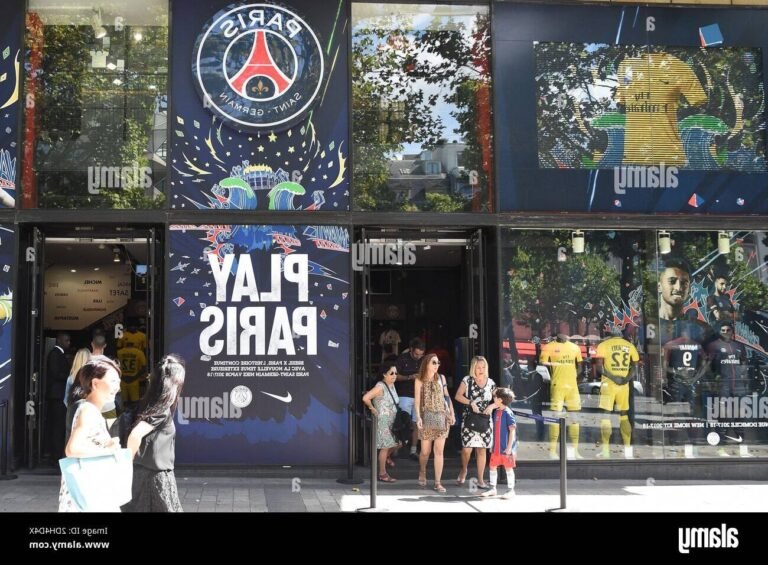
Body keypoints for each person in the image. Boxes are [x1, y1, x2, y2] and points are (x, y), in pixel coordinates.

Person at [58, 356, 122, 512]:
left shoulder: (92, 410)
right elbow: (71, 449)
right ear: (95, 383)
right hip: (87, 493)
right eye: (113, 381)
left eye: (118, 381)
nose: (118, 387)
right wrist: (108, 451)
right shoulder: (88, 410)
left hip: (89, 491)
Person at [124, 355, 186, 512]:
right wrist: (125, 465)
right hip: (154, 477)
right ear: (173, 383)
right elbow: (135, 435)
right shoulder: (160, 411)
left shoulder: (147, 405)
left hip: (145, 473)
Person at [706, 321, 751, 457]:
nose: (726, 332)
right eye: (723, 330)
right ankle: (721, 447)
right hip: (723, 386)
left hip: (738, 386)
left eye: (728, 330)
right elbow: (708, 366)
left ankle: (741, 445)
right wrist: (712, 381)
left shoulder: (739, 346)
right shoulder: (714, 346)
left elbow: (744, 366)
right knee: (723, 416)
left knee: (740, 417)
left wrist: (746, 382)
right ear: (719, 332)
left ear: (732, 332)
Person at [663, 322, 706, 457]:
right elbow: (705, 363)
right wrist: (696, 377)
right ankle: (692, 442)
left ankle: (673, 442)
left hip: (677, 382)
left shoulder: (671, 344)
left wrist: (674, 373)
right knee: (691, 413)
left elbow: (665, 366)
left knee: (674, 413)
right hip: (690, 382)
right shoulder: (696, 345)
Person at [594, 329, 640, 458]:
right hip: (623, 385)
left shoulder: (603, 345)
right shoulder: (629, 346)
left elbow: (599, 367)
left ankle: (606, 451)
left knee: (606, 415)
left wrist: (613, 378)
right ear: (620, 335)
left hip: (609, 384)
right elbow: (635, 367)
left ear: (610, 335)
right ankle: (627, 450)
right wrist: (625, 379)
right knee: (624, 414)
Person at [414, 353, 455, 493]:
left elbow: (446, 396)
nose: (437, 365)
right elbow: (417, 401)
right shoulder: (419, 380)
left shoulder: (441, 378)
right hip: (426, 417)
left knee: (439, 451)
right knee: (425, 451)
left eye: (438, 363)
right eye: (434, 362)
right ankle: (422, 470)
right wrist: (418, 417)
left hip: (442, 416)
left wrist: (452, 412)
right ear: (426, 363)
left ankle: (438, 482)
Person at [539, 333, 583, 459]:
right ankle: (552, 451)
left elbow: (580, 366)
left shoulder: (575, 347)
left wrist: (574, 376)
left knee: (574, 418)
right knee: (555, 418)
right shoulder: (549, 347)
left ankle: (575, 451)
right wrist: (553, 369)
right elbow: (542, 364)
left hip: (572, 386)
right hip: (557, 384)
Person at [454, 355, 494, 488]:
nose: (481, 369)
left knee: (482, 450)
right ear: (473, 368)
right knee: (467, 450)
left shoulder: (491, 383)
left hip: (484, 420)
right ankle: (464, 469)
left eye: (483, 367)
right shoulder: (467, 380)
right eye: (478, 367)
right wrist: (471, 402)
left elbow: (499, 399)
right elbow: (458, 396)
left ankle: (481, 479)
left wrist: (492, 406)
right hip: (470, 418)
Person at [362, 364, 401, 483]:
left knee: (399, 443)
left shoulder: (392, 385)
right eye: (391, 373)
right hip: (383, 422)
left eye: (396, 373)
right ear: (384, 374)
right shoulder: (380, 386)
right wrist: (371, 408)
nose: (395, 375)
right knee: (385, 447)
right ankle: (382, 473)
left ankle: (386, 458)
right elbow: (366, 398)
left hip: (392, 421)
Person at [480, 387, 517, 499]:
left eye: (495, 397)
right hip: (496, 448)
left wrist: (509, 447)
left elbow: (512, 431)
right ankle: (492, 488)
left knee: (508, 468)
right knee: (492, 466)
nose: (493, 399)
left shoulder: (508, 413)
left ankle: (511, 490)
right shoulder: (496, 412)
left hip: (506, 448)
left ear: (500, 400)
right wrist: (492, 445)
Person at [395, 338, 425, 460]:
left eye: (421, 354)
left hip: (418, 395)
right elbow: (393, 376)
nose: (418, 357)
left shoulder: (423, 360)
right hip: (404, 394)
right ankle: (396, 449)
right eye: (416, 354)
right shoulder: (402, 359)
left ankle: (413, 450)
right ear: (411, 350)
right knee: (402, 422)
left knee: (416, 424)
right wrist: (409, 377)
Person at [46, 332, 71, 461]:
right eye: (67, 340)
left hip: (59, 395)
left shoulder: (59, 354)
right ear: (59, 340)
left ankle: (56, 455)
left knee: (59, 426)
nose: (69, 343)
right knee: (57, 427)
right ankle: (55, 457)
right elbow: (55, 374)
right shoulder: (55, 354)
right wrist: (70, 376)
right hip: (57, 395)